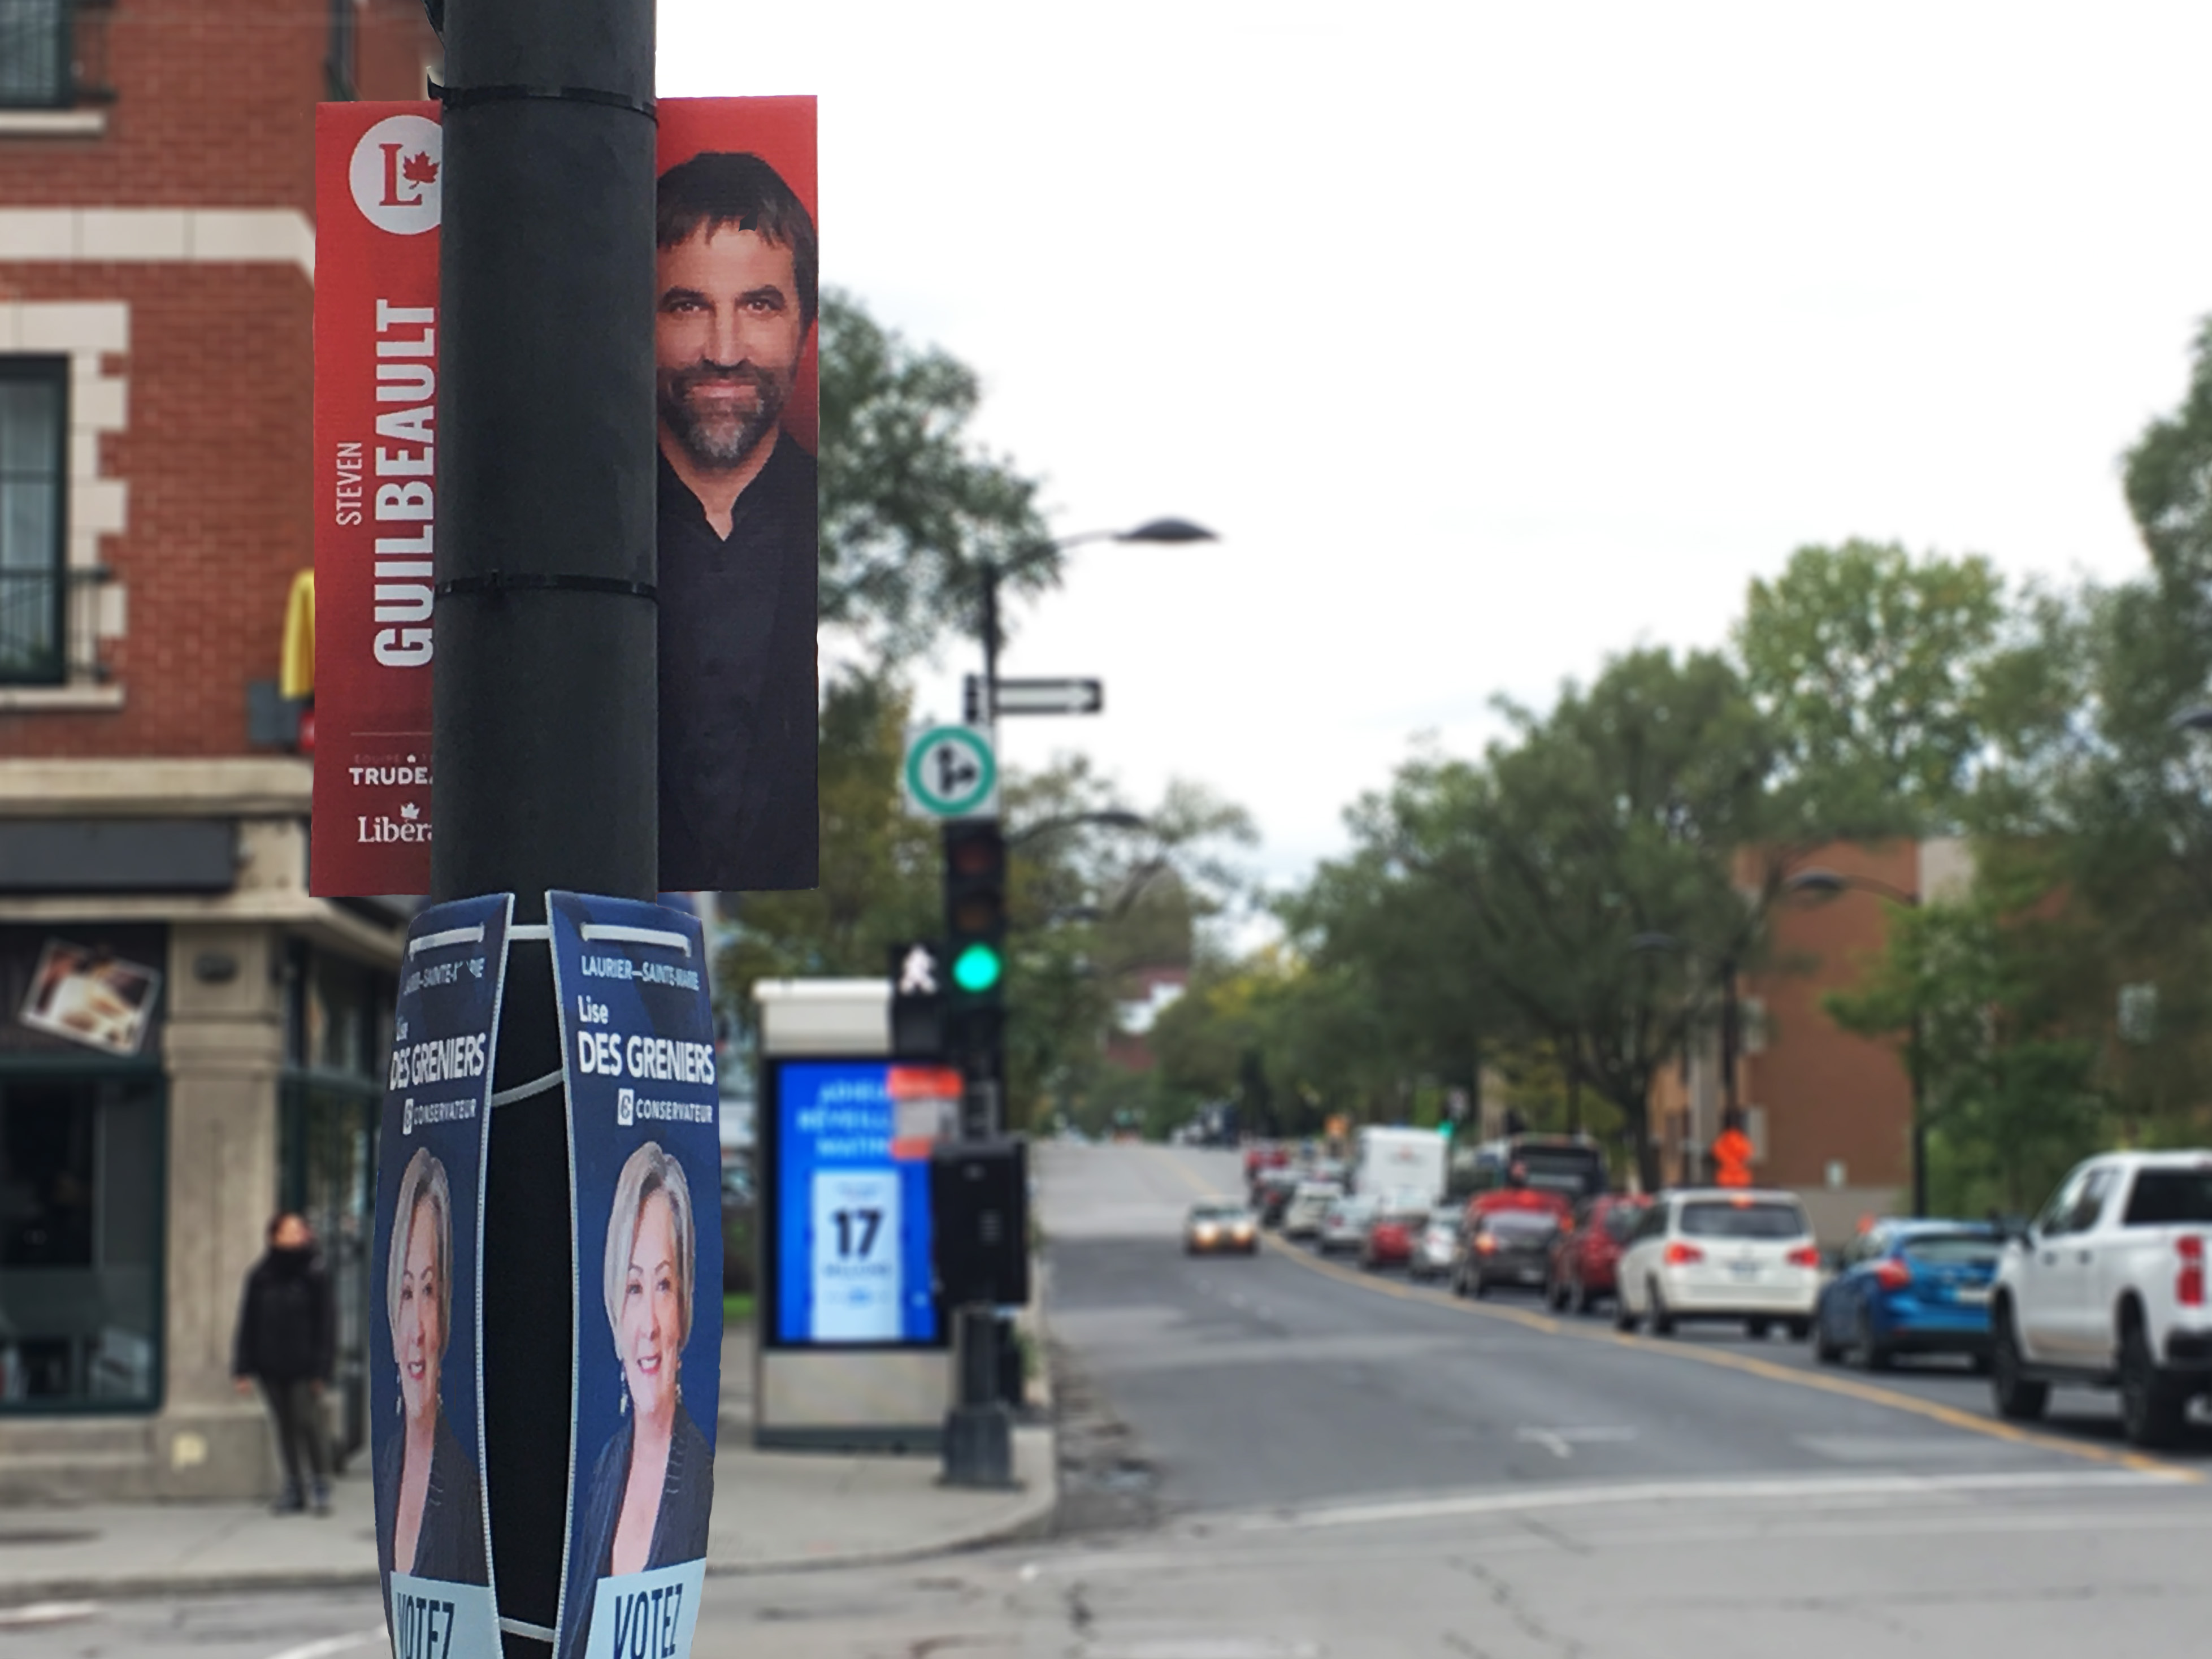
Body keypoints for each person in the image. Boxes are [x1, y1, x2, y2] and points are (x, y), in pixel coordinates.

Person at [653, 149, 819, 893]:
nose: (723, 352)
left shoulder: (842, 526)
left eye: (758, 305)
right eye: (688, 305)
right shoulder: (572, 531)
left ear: (805, 327)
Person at [562, 1143, 713, 1659]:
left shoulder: (696, 1471)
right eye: (633, 1288)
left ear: (685, 1303)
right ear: (613, 1308)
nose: (648, 1323)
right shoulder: (606, 1468)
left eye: (664, 1285)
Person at [374, 1149, 488, 1586]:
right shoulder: (389, 1460)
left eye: (430, 1291)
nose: (417, 1330)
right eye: (406, 1294)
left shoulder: (466, 1491)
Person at [232, 1212, 335, 1515]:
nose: (297, 1235)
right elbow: (248, 1322)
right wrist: (242, 1367)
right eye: (290, 1230)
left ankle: (320, 1482)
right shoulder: (261, 1276)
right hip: (270, 1365)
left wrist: (322, 1368)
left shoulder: (314, 1273)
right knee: (284, 1426)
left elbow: (326, 1323)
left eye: (299, 1230)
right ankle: (293, 1485)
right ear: (275, 1236)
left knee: (307, 1421)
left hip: (304, 1365)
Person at [1712, 1109, 1754, 1189]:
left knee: (1726, 1194)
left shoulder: (1723, 1139)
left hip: (1726, 1172)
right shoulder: (1742, 1139)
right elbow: (1748, 1152)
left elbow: (1716, 1151)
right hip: (1739, 1172)